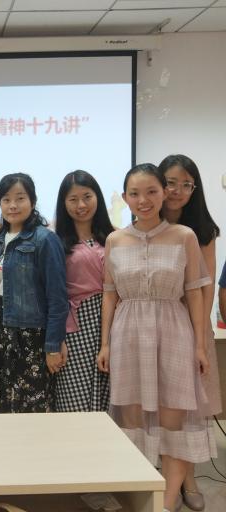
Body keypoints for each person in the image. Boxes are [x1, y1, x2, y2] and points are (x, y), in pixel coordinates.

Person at [97, 164, 214, 512]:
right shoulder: (115, 240)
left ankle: (166, 501)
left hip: (174, 331)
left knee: (173, 420)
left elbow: (194, 292)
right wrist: (105, 343)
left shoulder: (184, 236)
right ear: (125, 197)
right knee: (132, 420)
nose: (143, 200)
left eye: (151, 191)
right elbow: (109, 294)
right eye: (134, 193)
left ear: (164, 193)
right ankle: (142, 492)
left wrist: (199, 345)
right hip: (128, 334)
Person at [157, 154, 221, 511]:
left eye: (186, 184)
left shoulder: (202, 230)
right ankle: (164, 474)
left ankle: (189, 477)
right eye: (170, 182)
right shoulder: (145, 224)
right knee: (161, 404)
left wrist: (199, 333)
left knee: (190, 405)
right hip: (156, 324)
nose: (177, 190)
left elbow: (206, 285)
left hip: (191, 325)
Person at [0, 173, 68, 414]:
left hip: (31, 338)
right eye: (6, 200)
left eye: (20, 198)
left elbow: (58, 299)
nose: (13, 205)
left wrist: (53, 346)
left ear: (33, 201)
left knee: (31, 411)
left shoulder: (45, 239)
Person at [53, 171, 113, 412]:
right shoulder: (54, 239)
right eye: (73, 199)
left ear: (98, 197)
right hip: (74, 326)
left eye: (87, 196)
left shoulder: (115, 236)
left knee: (110, 396)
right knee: (73, 398)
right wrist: (56, 339)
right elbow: (52, 294)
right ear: (63, 203)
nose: (81, 205)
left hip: (112, 320)